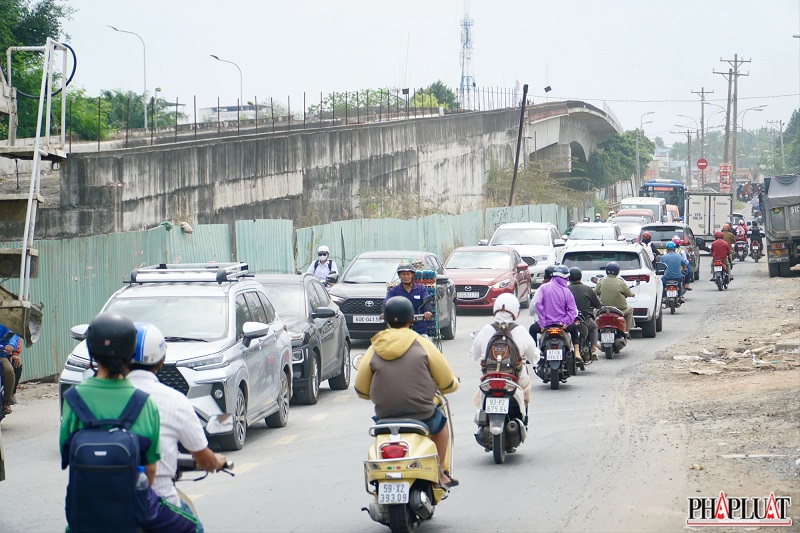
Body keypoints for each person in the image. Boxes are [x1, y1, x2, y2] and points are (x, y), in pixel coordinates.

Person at [59, 312, 199, 533]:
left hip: (85, 513)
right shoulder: (144, 402)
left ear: (91, 352)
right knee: (194, 528)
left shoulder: (73, 399)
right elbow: (151, 470)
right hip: (134, 511)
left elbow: (66, 458)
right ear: (129, 353)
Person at [126, 322, 227, 527]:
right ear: (162, 361)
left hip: (105, 505)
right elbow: (203, 457)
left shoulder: (101, 399)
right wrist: (216, 461)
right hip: (157, 506)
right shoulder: (174, 400)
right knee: (195, 526)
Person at [355, 296, 459, 488]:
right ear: (411, 319)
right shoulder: (423, 344)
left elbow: (361, 389)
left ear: (385, 319)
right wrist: (452, 384)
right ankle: (440, 474)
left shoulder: (374, 347)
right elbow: (446, 383)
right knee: (441, 427)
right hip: (423, 415)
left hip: (385, 417)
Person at [470, 293, 536, 414]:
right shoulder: (520, 331)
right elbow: (534, 357)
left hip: (489, 379)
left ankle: (482, 420)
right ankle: (522, 416)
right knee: (526, 384)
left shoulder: (486, 329)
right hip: (514, 379)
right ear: (515, 311)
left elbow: (474, 354)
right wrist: (536, 359)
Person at [529, 265, 581, 363]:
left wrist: (543, 323)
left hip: (546, 325)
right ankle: (577, 352)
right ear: (565, 278)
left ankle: (533, 354)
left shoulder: (543, 288)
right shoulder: (566, 291)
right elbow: (573, 310)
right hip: (561, 325)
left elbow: (537, 304)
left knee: (532, 329)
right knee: (574, 329)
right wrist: (565, 323)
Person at [385, 263, 433, 337]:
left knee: (424, 346)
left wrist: (428, 311)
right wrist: (383, 312)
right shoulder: (394, 291)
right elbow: (386, 303)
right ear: (399, 276)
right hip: (400, 328)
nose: (406, 276)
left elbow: (427, 301)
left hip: (419, 328)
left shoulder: (421, 289)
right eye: (403, 274)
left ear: (412, 275)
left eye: (408, 274)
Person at [567, 267, 602, 360]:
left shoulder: (565, 289)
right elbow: (596, 304)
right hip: (583, 319)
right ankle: (594, 349)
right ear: (580, 277)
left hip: (568, 320)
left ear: (569, 278)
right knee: (594, 326)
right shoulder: (587, 289)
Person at [594, 262, 635, 336]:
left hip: (603, 309)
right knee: (630, 309)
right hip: (620, 309)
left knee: (594, 312)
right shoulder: (620, 282)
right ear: (618, 271)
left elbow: (594, 293)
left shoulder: (601, 281)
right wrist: (633, 294)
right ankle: (627, 331)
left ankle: (594, 330)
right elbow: (629, 293)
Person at [0, 324, 20, 415]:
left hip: (1, 355)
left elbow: (13, 333)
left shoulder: (4, 320)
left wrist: (11, 345)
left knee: (9, 371)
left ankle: (6, 401)